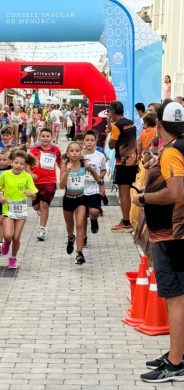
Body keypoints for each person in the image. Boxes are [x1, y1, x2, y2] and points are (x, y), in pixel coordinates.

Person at [133, 101, 184, 383]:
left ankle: (175, 365)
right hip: (176, 233)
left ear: (161, 126)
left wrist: (144, 198)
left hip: (172, 235)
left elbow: (175, 193)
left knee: (175, 299)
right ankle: (178, 354)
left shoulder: (173, 150)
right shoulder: (178, 148)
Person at [0, 150, 37, 269]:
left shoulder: (27, 176)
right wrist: (1, 196)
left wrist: (30, 194)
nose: (18, 166)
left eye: (21, 164)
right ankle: (6, 243)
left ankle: (13, 258)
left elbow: (34, 194)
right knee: (8, 235)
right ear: (11, 163)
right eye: (16, 163)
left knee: (16, 237)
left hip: (21, 210)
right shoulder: (5, 175)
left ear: (25, 166)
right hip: (8, 209)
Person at [60, 142, 100, 265]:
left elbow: (94, 172)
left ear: (80, 152)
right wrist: (67, 171)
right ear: (68, 153)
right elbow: (61, 186)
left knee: (80, 223)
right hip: (68, 199)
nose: (74, 153)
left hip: (81, 198)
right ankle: (71, 238)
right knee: (70, 226)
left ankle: (79, 253)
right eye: (72, 151)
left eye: (77, 150)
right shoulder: (65, 165)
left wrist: (100, 183)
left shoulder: (85, 165)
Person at [107, 101, 138, 232]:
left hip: (123, 163)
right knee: (126, 192)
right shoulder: (130, 122)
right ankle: (126, 220)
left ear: (113, 112)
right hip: (133, 161)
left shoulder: (117, 126)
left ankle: (126, 222)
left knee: (123, 193)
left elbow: (111, 145)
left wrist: (110, 132)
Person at [30, 128, 62, 241]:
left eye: (47, 136)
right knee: (36, 206)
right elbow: (27, 164)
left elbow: (60, 163)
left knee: (44, 205)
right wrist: (30, 174)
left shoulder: (56, 150)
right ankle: (41, 211)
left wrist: (64, 174)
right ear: (39, 137)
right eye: (43, 136)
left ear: (51, 137)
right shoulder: (34, 149)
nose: (45, 138)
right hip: (35, 182)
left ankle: (42, 229)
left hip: (50, 182)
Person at [82, 131, 107, 236]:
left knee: (94, 212)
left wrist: (99, 177)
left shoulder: (100, 156)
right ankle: (83, 237)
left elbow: (104, 170)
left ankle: (93, 220)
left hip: (94, 188)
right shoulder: (80, 155)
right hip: (81, 189)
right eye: (87, 140)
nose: (89, 143)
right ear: (83, 142)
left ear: (96, 141)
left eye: (92, 140)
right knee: (83, 215)